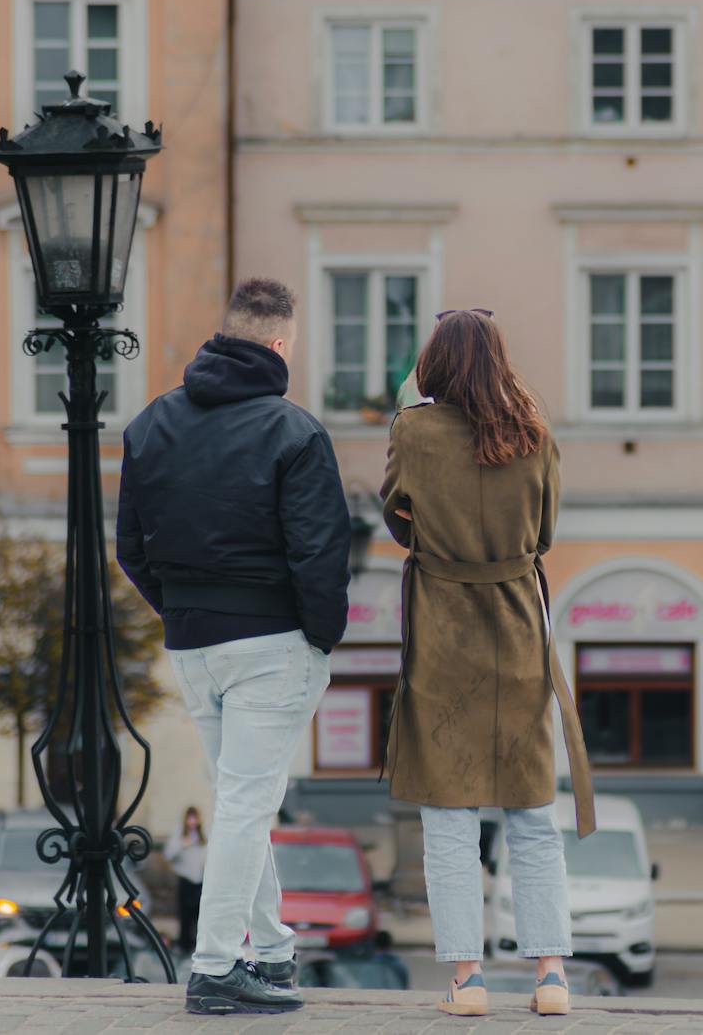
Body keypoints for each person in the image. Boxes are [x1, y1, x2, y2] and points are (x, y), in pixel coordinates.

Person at [116, 278, 350, 1016]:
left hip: (193, 643)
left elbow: (130, 547)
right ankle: (217, 965)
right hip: (271, 641)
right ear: (280, 344)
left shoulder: (150, 424)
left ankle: (273, 950)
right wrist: (322, 636)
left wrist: (179, 607)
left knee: (237, 800)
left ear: (227, 335)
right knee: (248, 804)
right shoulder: (295, 431)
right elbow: (320, 553)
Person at [379, 309, 595, 1019]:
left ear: (435, 363)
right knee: (533, 816)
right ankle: (551, 975)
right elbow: (547, 530)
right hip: (518, 630)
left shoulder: (412, 429)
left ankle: (468, 981)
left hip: (445, 632)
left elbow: (394, 512)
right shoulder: (533, 433)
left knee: (450, 819)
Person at [165, 807, 207, 954]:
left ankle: (198, 945)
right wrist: (183, 844)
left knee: (200, 915)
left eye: (195, 818)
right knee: (185, 914)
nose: (192, 821)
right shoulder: (180, 834)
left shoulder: (203, 835)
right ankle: (185, 945)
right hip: (185, 880)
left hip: (200, 880)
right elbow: (169, 854)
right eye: (190, 818)